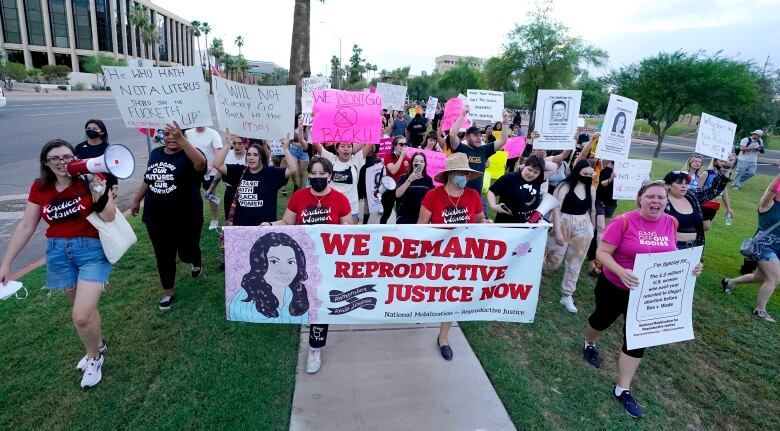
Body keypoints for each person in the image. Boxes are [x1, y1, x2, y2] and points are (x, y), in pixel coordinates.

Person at [0, 139, 115, 388]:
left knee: (81, 316)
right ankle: (99, 344)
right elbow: (26, 225)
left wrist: (99, 192)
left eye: (67, 156)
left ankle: (94, 357)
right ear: (46, 162)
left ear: (75, 158)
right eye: (56, 158)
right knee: (83, 309)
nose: (63, 162)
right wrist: (6, 263)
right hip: (58, 253)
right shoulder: (40, 187)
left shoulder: (88, 180)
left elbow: (109, 216)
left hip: (91, 251)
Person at [582, 181, 702, 418]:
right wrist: (621, 271)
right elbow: (602, 253)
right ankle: (589, 343)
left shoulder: (671, 222)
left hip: (647, 293)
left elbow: (671, 251)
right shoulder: (623, 221)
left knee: (637, 338)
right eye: (650, 197)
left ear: (666, 202)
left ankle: (622, 389)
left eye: (660, 197)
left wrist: (690, 265)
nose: (656, 201)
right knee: (601, 321)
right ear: (640, 199)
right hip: (615, 285)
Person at [264, 156, 353, 373]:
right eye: (313, 173)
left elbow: (350, 227)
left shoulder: (340, 200)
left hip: (328, 263)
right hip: (301, 263)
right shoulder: (299, 197)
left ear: (330, 176)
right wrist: (269, 224)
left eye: (322, 174)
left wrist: (345, 227)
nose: (318, 177)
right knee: (305, 300)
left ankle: (315, 347)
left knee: (320, 306)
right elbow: (287, 222)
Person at [130, 122, 207, 311]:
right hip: (156, 215)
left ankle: (195, 259)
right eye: (167, 134)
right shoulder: (156, 153)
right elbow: (149, 178)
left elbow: (201, 164)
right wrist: (137, 199)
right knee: (163, 255)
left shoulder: (191, 153)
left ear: (183, 134)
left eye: (175, 134)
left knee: (186, 253)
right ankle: (168, 292)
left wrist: (181, 138)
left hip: (186, 216)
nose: (171, 137)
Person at [418, 153, 487, 360]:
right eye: (460, 173)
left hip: (463, 257)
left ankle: (443, 337)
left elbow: (480, 219)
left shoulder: (473, 195)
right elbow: (420, 227)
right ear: (449, 174)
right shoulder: (433, 196)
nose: (463, 178)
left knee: (452, 296)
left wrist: (487, 225)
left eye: (466, 174)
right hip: (436, 257)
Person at [721, 173, 780, 322]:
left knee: (760, 276)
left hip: (777, 249)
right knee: (773, 279)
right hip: (764, 247)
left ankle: (729, 282)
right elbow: (772, 189)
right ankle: (759, 310)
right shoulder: (767, 205)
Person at [211, 132, 297, 226]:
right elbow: (217, 164)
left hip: (264, 228)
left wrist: (285, 149)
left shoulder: (271, 173)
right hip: (241, 228)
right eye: (249, 154)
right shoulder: (239, 171)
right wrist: (228, 145)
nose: (251, 158)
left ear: (262, 158)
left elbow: (292, 169)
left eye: (255, 155)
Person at [544, 160, 596, 313]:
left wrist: (592, 227)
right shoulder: (564, 186)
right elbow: (556, 208)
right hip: (563, 221)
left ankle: (567, 294)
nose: (588, 177)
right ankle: (537, 273)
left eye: (591, 174)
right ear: (577, 171)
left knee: (576, 262)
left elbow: (592, 209)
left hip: (583, 225)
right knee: (553, 261)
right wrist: (558, 231)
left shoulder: (591, 188)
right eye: (585, 174)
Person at [229, 232, 310, 323]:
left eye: (290, 262)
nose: (284, 270)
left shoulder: (297, 293)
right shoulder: (245, 298)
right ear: (259, 262)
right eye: (274, 262)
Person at [447, 105, 511, 211]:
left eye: (480, 136)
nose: (479, 138)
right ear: (467, 137)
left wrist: (505, 122)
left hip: (476, 196)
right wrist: (462, 115)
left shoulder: (484, 150)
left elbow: (503, 141)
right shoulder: (460, 148)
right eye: (475, 135)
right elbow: (452, 135)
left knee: (480, 223)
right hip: (458, 195)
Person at [663, 163, 731, 250]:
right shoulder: (662, 201)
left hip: (694, 247)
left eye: (686, 183)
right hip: (671, 248)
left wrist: (725, 168)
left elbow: (713, 190)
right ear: (668, 185)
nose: (684, 186)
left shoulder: (691, 195)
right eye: (679, 183)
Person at [311, 139, 372, 223]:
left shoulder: (356, 160)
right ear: (337, 149)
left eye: (349, 146)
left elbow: (370, 143)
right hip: (331, 207)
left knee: (350, 234)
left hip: (351, 208)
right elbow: (316, 143)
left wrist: (375, 130)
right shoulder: (330, 159)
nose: (346, 149)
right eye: (342, 146)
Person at [488, 155, 557, 223]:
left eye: (536, 172)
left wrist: (539, 163)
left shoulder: (538, 179)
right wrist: (493, 206)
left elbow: (554, 167)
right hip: (505, 223)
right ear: (524, 166)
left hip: (527, 225)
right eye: (529, 169)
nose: (531, 174)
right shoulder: (510, 177)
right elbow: (491, 191)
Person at [185, 126, 224, 230]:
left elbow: (218, 153)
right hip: (192, 171)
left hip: (209, 172)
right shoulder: (187, 133)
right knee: (192, 195)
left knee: (211, 195)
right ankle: (193, 218)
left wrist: (211, 166)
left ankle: (214, 219)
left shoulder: (213, 133)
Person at [587, 159, 617, 275]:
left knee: (603, 231)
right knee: (600, 228)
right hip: (599, 201)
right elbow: (602, 184)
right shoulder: (602, 167)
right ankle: (599, 257)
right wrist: (611, 178)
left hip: (611, 204)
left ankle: (594, 253)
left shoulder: (623, 170)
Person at [207, 134, 247, 221]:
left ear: (245, 144)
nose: (237, 146)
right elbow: (219, 173)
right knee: (229, 218)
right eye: (234, 143)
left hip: (246, 190)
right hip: (230, 191)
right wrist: (210, 189)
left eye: (240, 143)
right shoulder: (227, 154)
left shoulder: (250, 155)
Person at [75, 119, 118, 196]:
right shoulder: (79, 147)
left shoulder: (108, 149)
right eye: (88, 128)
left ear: (102, 132)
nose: (90, 130)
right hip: (86, 186)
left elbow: (112, 169)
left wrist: (114, 186)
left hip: (104, 185)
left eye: (95, 129)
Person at [395, 152, 434, 224]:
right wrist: (409, 180)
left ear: (424, 164)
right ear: (412, 163)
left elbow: (431, 199)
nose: (419, 163)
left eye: (422, 161)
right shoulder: (404, 177)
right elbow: (397, 194)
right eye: (416, 161)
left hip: (421, 218)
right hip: (404, 217)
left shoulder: (428, 180)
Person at [380, 136, 411, 223]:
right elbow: (393, 170)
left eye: (406, 144)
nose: (404, 146)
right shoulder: (388, 156)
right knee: (387, 213)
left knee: (400, 214)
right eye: (401, 144)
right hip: (390, 190)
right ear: (395, 146)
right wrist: (401, 157)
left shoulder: (408, 159)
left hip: (402, 190)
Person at [698, 157, 734, 230]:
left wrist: (728, 208)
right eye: (721, 161)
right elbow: (698, 189)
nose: (723, 163)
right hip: (704, 204)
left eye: (725, 161)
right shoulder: (707, 173)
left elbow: (724, 192)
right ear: (714, 162)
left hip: (714, 206)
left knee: (702, 228)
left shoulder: (723, 177)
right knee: (705, 226)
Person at [288, 116, 310, 193]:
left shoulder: (307, 128)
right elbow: (289, 141)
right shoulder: (292, 129)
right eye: (299, 117)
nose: (301, 119)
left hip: (304, 152)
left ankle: (300, 191)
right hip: (294, 150)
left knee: (301, 173)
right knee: (293, 170)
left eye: (302, 117)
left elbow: (309, 141)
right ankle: (295, 185)